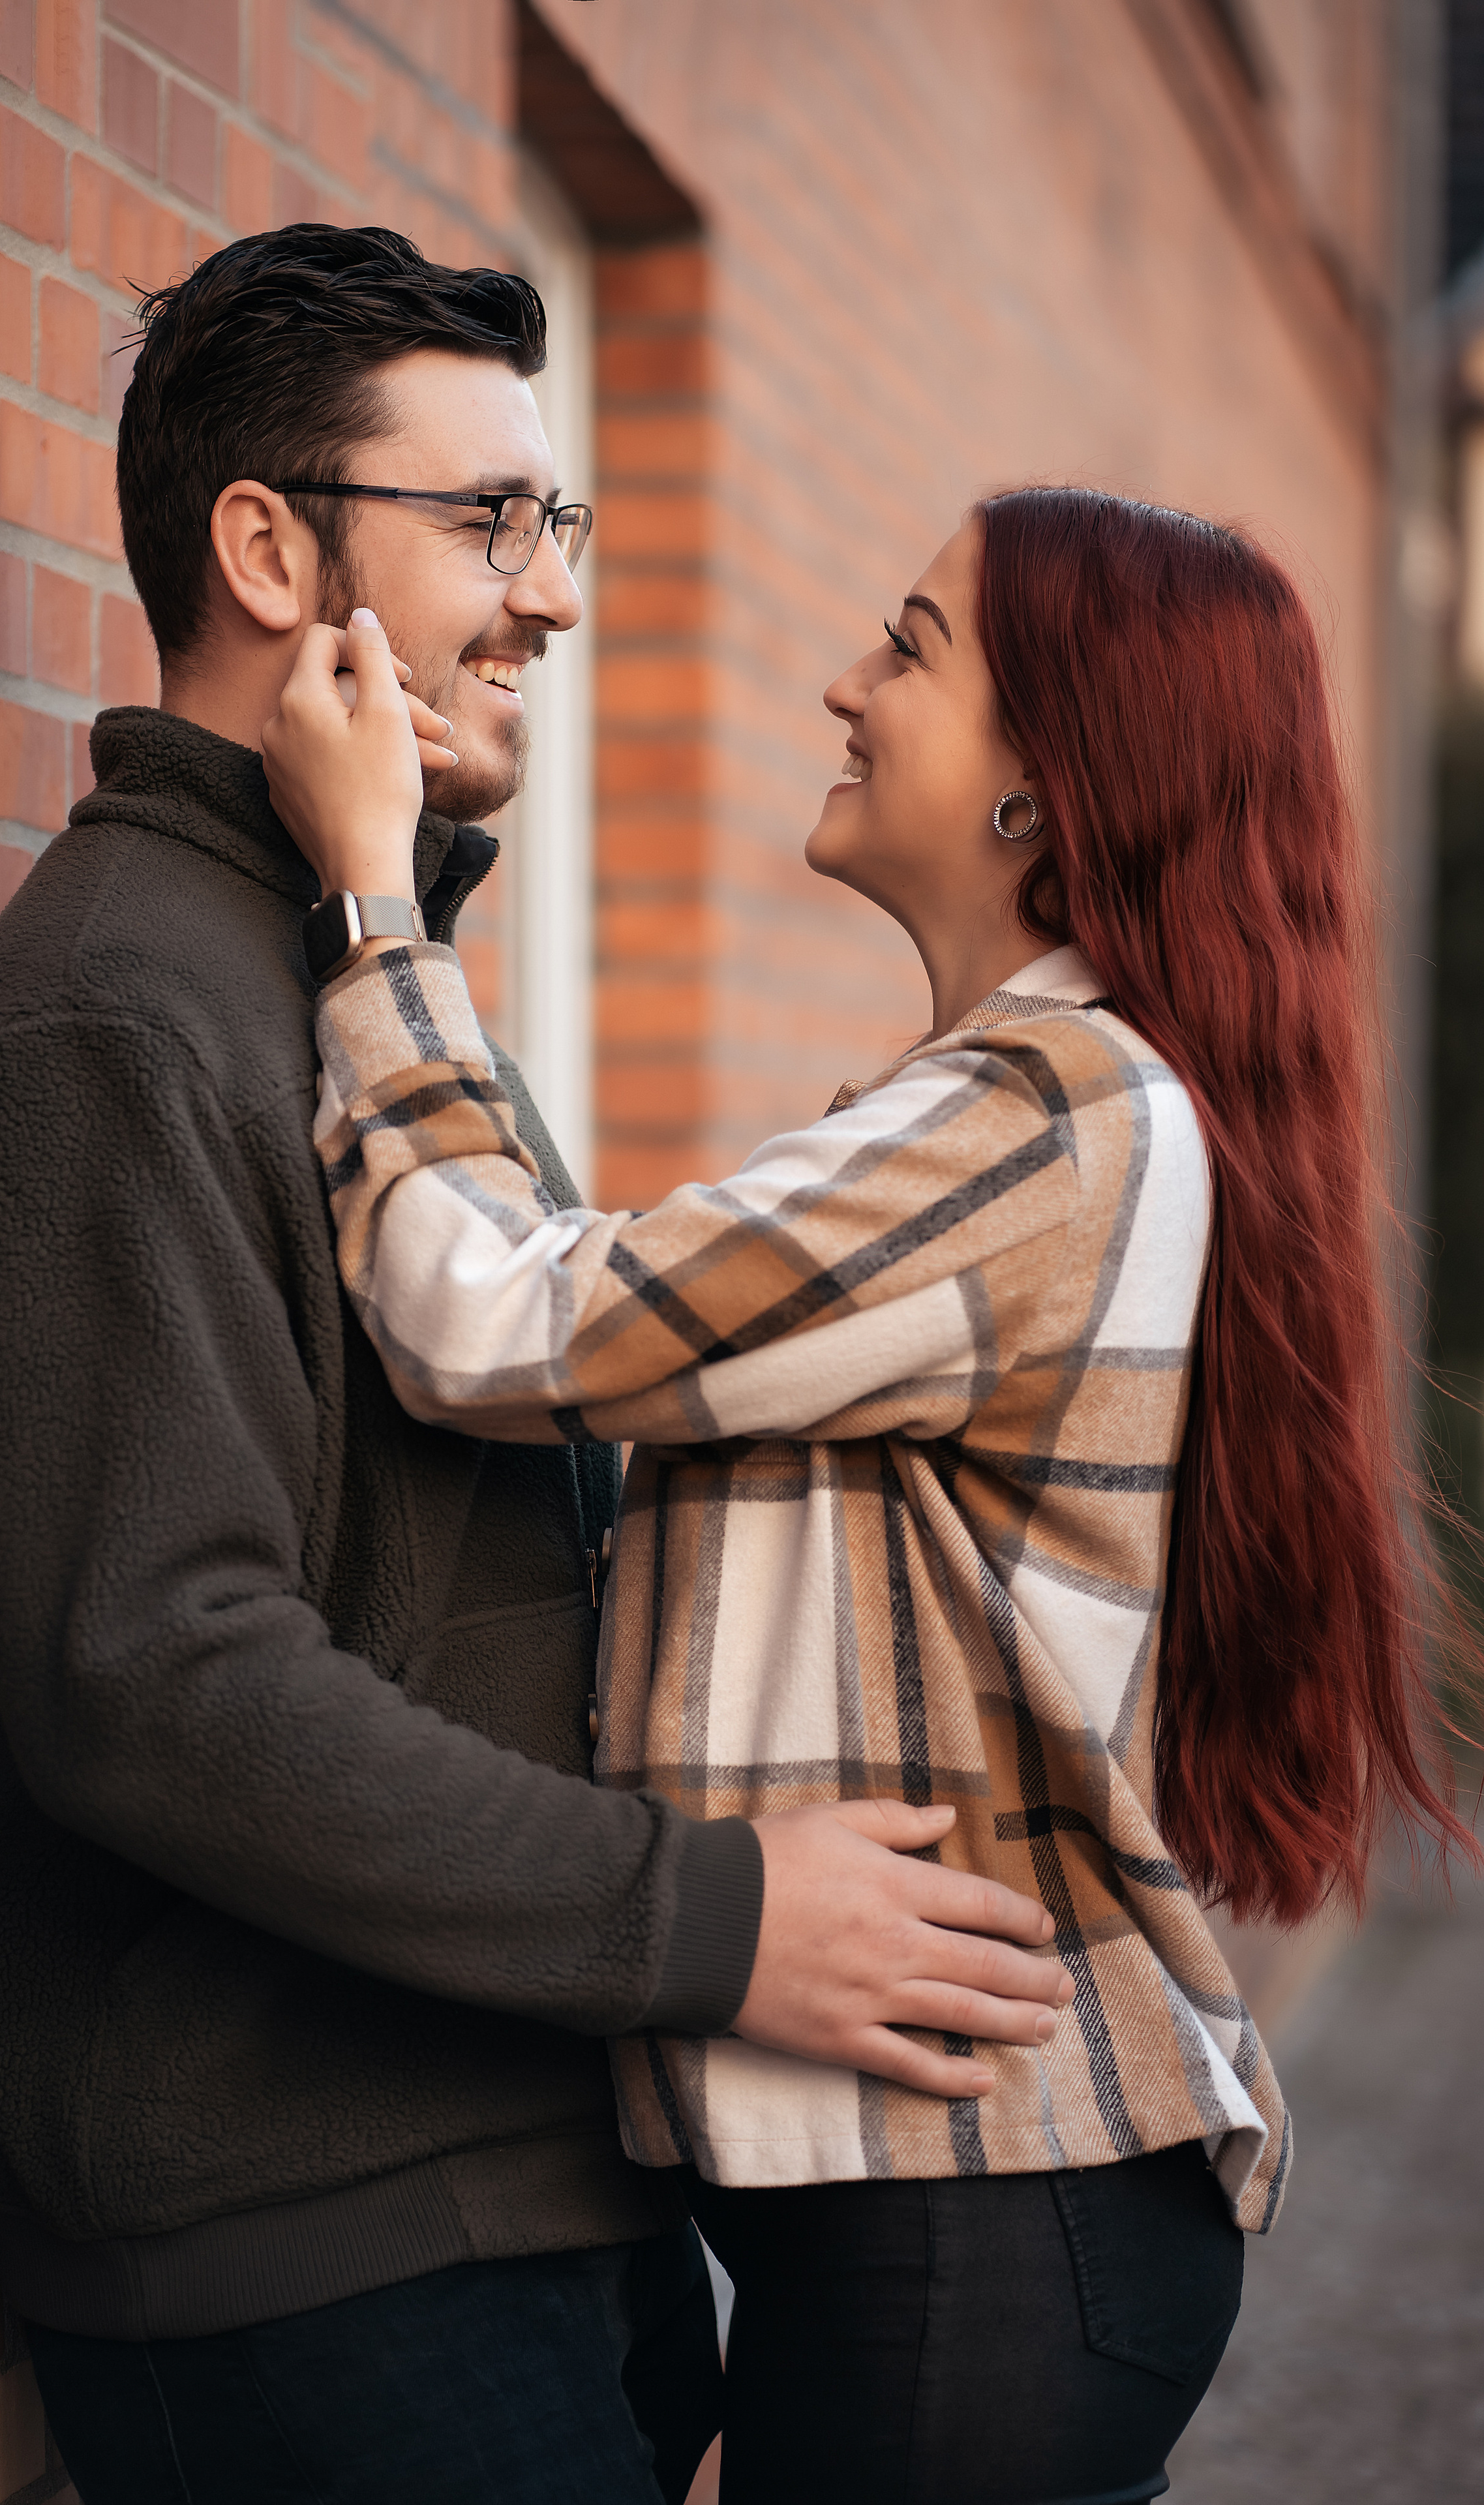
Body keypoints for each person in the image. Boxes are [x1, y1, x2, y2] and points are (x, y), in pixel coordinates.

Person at [0, 226, 1072, 2505]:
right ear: (265, 545)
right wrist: (712, 1925)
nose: (552, 594)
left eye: (560, 521)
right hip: (302, 2248)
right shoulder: (116, 1025)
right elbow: (165, 1676)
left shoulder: (342, 968)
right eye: (489, 521)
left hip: (511, 2170)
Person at [262, 484, 1478, 2504]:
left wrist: (376, 909)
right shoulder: (1019, 1108)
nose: (844, 682)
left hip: (979, 2237)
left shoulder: (1040, 1119)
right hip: (964, 2230)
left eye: (910, 649)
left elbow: (486, 1319)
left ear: (1043, 783)